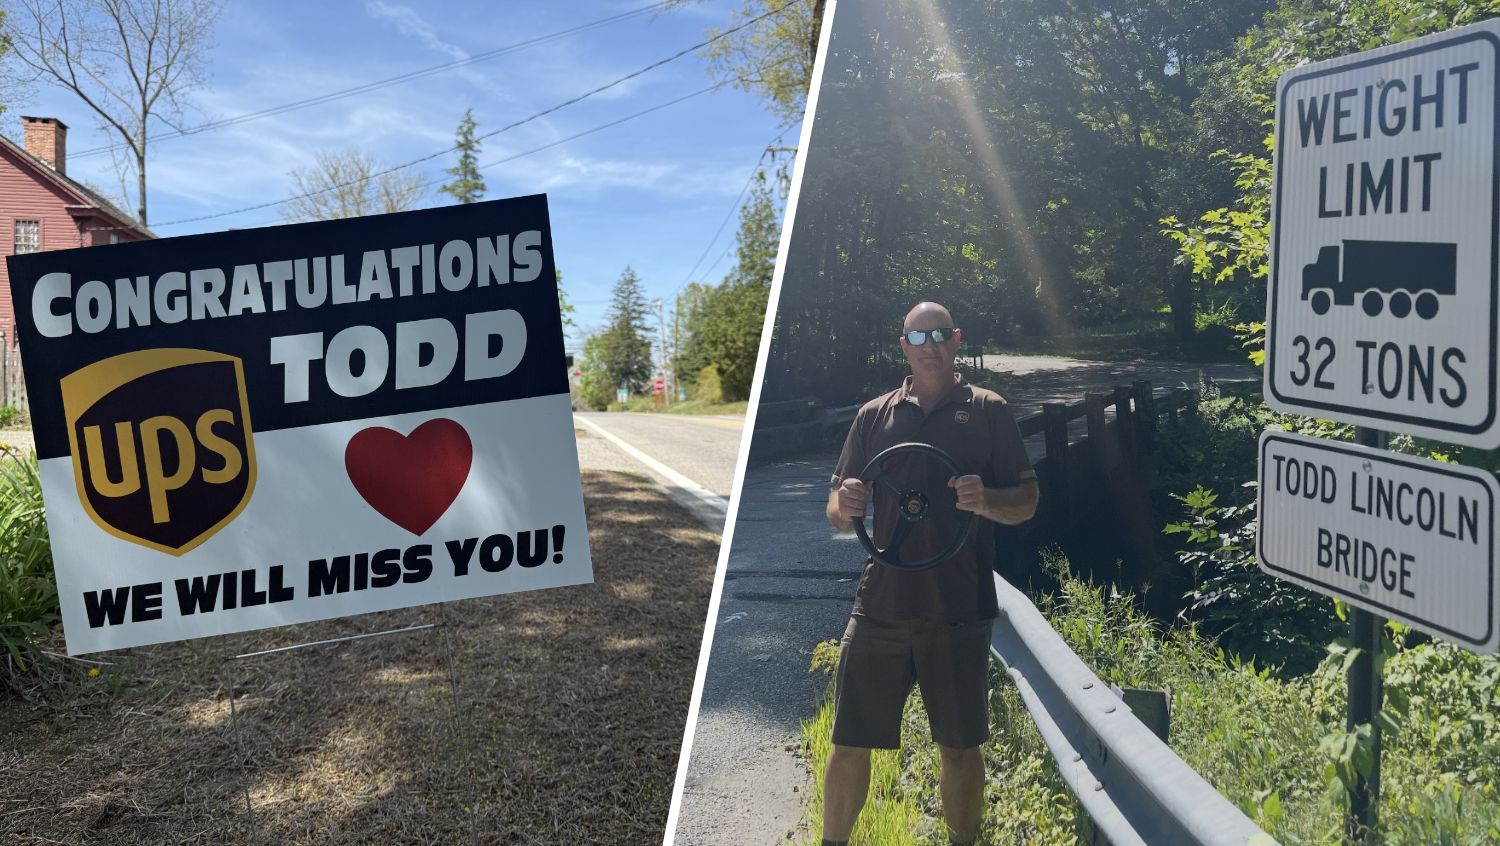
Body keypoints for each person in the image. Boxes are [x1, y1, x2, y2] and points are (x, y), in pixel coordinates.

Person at [822, 302, 1038, 846]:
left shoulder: (988, 409)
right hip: (882, 604)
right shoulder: (875, 414)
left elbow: (1028, 501)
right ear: (904, 345)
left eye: (940, 334)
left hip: (959, 607)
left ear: (957, 339)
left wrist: (986, 499)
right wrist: (845, 504)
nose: (930, 344)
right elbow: (836, 511)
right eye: (919, 336)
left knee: (961, 748)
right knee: (849, 742)